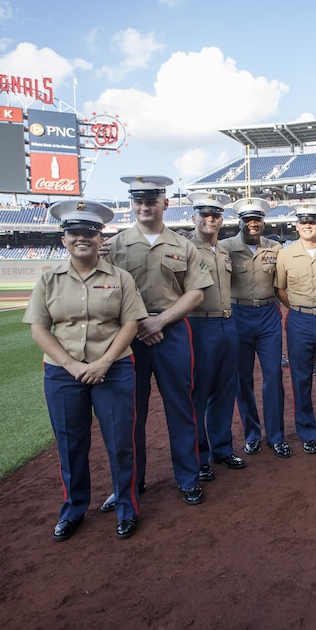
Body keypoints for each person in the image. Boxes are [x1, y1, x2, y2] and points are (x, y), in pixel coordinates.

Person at [23, 199, 148, 541]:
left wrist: (104, 361)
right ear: (63, 238)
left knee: (121, 443)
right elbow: (39, 329)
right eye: (74, 232)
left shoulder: (120, 278)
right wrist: (74, 366)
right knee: (70, 445)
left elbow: (131, 323)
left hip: (114, 369)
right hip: (64, 375)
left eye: (89, 233)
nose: (82, 238)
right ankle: (73, 510)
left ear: (99, 238)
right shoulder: (48, 281)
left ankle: (126, 507)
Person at [101, 175, 208, 509]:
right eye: (138, 201)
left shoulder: (183, 245)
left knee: (181, 408)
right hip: (127, 334)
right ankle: (130, 484)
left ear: (165, 203)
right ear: (132, 205)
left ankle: (188, 478)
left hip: (171, 329)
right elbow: (104, 294)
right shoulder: (114, 247)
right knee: (129, 414)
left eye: (151, 201)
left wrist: (160, 320)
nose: (144, 207)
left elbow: (197, 291)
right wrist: (140, 323)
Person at [186, 191, 247, 482]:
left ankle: (221, 449)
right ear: (194, 217)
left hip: (227, 324)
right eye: (204, 215)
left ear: (221, 220)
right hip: (199, 326)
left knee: (225, 392)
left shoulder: (223, 250)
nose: (210, 219)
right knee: (199, 394)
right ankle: (199, 455)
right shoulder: (185, 247)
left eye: (215, 215)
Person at [221, 198, 287, 457]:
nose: (253, 224)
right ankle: (252, 433)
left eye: (257, 220)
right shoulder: (224, 247)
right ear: (240, 221)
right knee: (242, 379)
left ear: (263, 222)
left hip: (268, 314)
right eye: (248, 220)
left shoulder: (276, 248)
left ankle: (276, 435)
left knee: (273, 376)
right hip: (238, 314)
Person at [275, 202, 316, 454]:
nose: (307, 226)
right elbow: (279, 289)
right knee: (300, 379)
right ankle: (307, 431)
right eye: (303, 221)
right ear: (296, 225)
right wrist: (298, 307)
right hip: (298, 319)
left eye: (312, 221)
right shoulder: (285, 254)